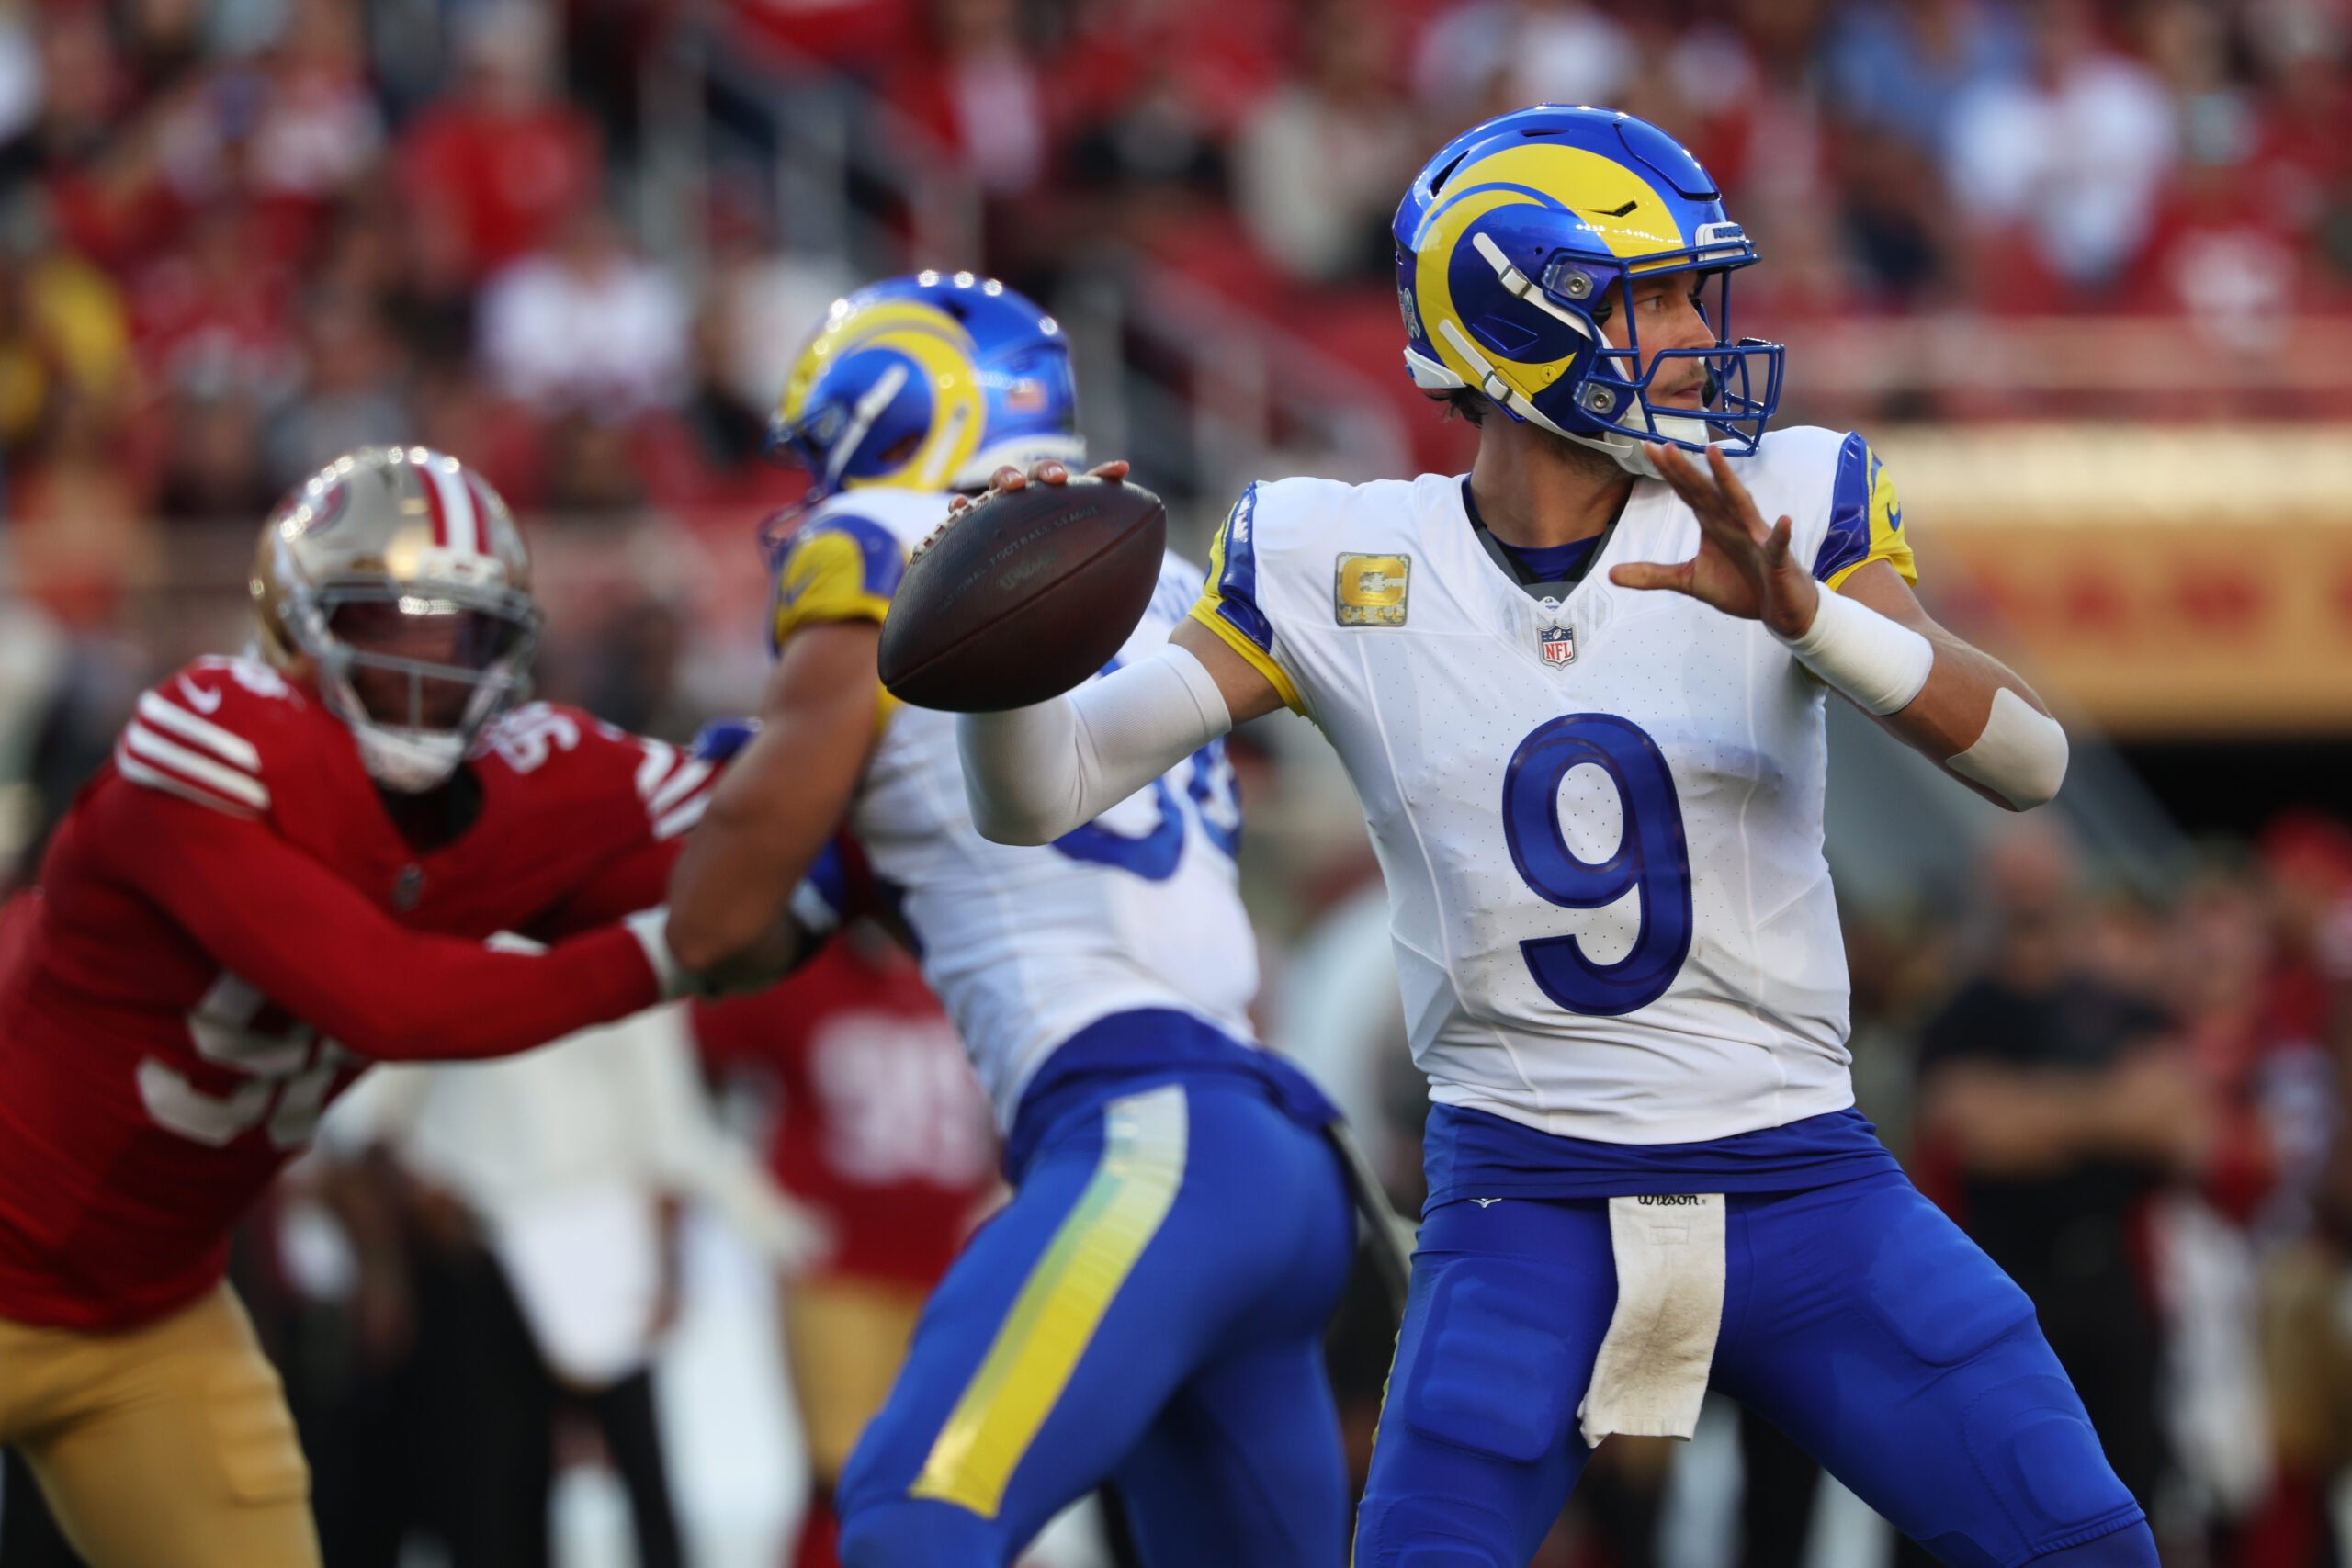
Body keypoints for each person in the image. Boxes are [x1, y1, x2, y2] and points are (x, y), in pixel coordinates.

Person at [954, 106, 2154, 1568]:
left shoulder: (1783, 501)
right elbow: (1045, 789)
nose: (1696, 333)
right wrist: (999, 656)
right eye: (1648, 295)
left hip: (1805, 1179)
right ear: (1521, 318)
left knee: (2086, 1545)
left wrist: (1810, 619)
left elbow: (2032, 760)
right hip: (1523, 1196)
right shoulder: (1342, 558)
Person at [0, 445, 812, 1568]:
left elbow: (764, 834)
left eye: (461, 631)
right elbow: (396, 1002)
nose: (430, 664)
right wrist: (673, 956)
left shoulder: (529, 775)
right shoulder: (209, 735)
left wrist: (900, 757)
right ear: (297, 627)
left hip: (147, 1321)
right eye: (389, 625)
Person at [665, 271, 1356, 1567]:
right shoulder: (1159, 579)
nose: (818, 489)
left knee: (908, 1519)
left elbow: (715, 926)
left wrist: (734, 792)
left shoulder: (880, 538)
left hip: (1143, 1136)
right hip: (1275, 1160)